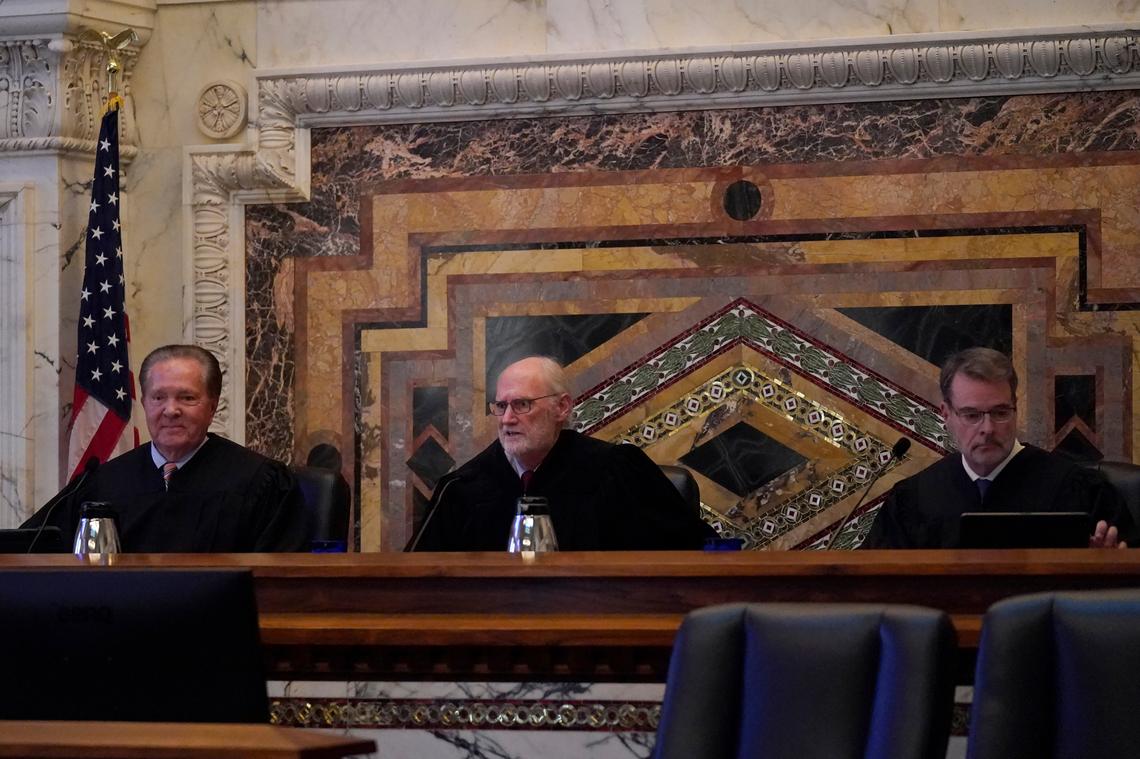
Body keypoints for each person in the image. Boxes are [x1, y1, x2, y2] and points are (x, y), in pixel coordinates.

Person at [412, 356, 717, 551]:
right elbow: (416, 583)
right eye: (501, 406)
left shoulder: (617, 470)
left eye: (522, 404)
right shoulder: (462, 489)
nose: (506, 419)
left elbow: (700, 553)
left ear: (562, 407)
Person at [24, 344, 307, 552]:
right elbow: (30, 547)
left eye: (187, 397)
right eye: (159, 397)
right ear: (144, 403)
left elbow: (280, 581)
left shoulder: (260, 481)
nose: (171, 410)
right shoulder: (105, 482)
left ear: (212, 406)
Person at [863, 347, 1132, 549]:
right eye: (971, 415)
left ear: (1015, 407)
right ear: (946, 414)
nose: (988, 429)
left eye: (1000, 412)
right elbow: (875, 582)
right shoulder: (913, 499)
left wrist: (1104, 566)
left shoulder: (1077, 487)